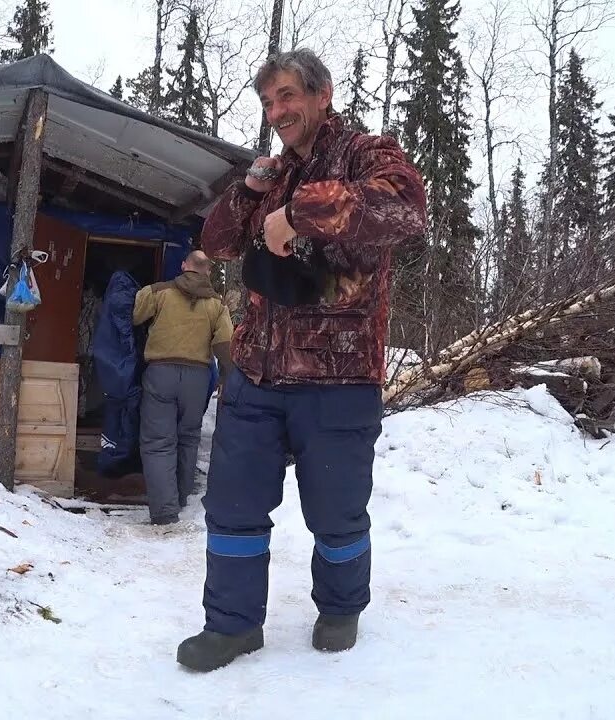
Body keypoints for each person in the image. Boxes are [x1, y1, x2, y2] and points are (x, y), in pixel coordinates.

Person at [175, 48, 427, 672]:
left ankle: (341, 609)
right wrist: (254, 191)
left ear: (322, 95)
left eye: (287, 96)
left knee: (336, 510)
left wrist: (297, 215)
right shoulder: (271, 173)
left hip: (337, 374)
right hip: (257, 370)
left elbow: (405, 207)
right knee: (232, 504)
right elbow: (216, 244)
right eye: (267, 102)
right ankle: (232, 626)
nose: (276, 111)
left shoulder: (366, 152)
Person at [132, 250, 234, 525]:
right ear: (207, 272)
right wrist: (227, 378)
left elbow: (135, 316)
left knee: (158, 442)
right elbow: (225, 344)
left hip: (161, 373)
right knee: (188, 438)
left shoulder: (160, 292)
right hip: (197, 378)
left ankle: (165, 511)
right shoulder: (217, 304)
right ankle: (181, 499)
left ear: (183, 265)